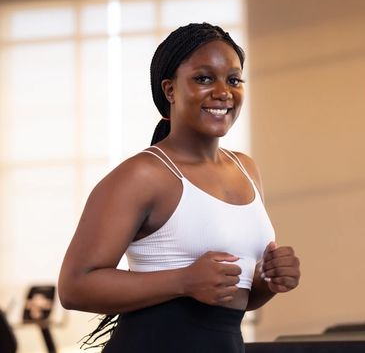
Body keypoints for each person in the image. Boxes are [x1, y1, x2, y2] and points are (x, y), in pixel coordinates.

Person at [58, 22, 300, 353]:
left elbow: (233, 301)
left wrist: (268, 281)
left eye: (233, 79)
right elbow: (74, 287)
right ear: (170, 90)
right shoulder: (142, 175)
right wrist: (183, 281)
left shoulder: (246, 169)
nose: (223, 92)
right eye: (204, 78)